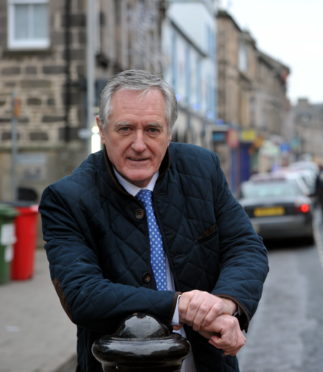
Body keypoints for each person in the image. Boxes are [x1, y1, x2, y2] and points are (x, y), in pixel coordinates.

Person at [39, 70, 269, 372]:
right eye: (124, 129)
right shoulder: (66, 199)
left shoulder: (203, 169)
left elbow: (245, 247)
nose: (139, 144)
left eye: (152, 129)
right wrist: (181, 306)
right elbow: (83, 294)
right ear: (102, 129)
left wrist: (225, 304)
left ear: (169, 132)